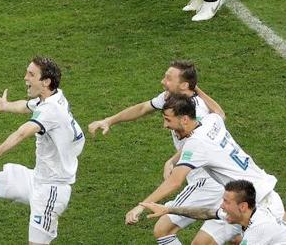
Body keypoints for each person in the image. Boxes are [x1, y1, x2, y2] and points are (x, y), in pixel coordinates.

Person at [88, 60, 239, 245]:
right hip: (222, 181)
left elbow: (197, 144)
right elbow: (143, 108)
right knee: (232, 234)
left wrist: (172, 161)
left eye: (168, 78)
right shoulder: (173, 99)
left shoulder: (195, 110)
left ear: (184, 85)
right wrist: (109, 120)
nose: (163, 81)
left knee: (163, 229)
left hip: (205, 181)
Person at [0, 57, 84, 245]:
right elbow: (26, 105)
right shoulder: (53, 97)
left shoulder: (51, 111)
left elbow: (22, 133)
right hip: (36, 179)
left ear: (46, 82)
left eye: (31, 74)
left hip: (51, 190)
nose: (25, 77)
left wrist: (0, 150)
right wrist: (6, 106)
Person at [125, 94, 284, 229]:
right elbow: (218, 112)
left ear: (185, 119)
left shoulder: (196, 143)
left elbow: (174, 181)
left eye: (168, 120)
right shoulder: (212, 120)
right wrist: (197, 89)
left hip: (260, 206)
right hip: (262, 194)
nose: (165, 125)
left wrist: (140, 206)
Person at [142, 180, 286, 244]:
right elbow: (205, 213)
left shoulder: (258, 228)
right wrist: (168, 209)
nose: (222, 206)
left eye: (226, 202)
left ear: (243, 206)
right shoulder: (243, 214)